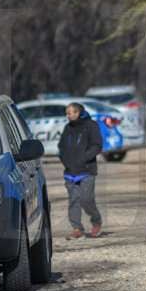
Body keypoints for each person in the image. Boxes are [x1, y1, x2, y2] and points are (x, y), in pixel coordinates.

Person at [58, 102, 104, 240]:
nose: (69, 115)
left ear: (80, 112)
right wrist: (66, 160)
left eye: (72, 112)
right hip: (70, 172)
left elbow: (97, 146)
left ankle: (96, 221)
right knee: (74, 200)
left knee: (86, 199)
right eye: (67, 113)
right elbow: (61, 147)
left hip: (87, 170)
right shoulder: (67, 128)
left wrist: (83, 158)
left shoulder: (91, 125)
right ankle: (77, 228)